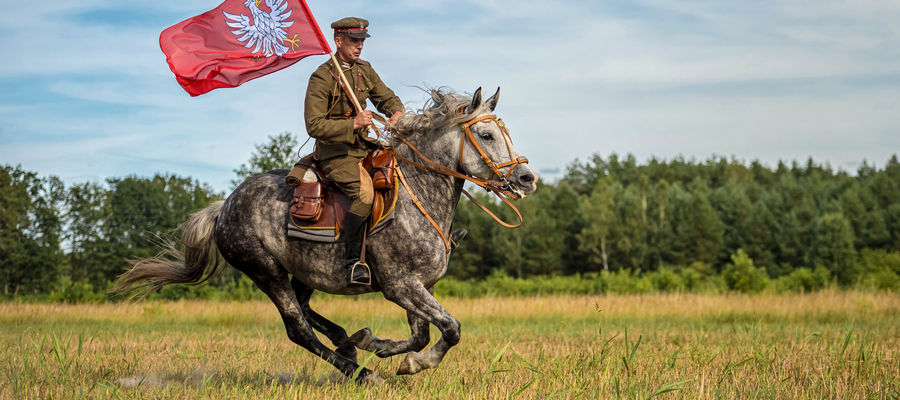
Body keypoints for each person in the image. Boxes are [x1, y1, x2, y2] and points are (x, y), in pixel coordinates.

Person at [304, 17, 404, 286]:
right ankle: (353, 263)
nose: (360, 46)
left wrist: (396, 112)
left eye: (362, 41)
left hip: (364, 149)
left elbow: (386, 98)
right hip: (336, 154)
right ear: (338, 41)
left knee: (404, 174)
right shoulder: (322, 77)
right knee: (365, 194)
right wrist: (354, 123)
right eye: (354, 41)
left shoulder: (364, 69)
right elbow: (313, 125)